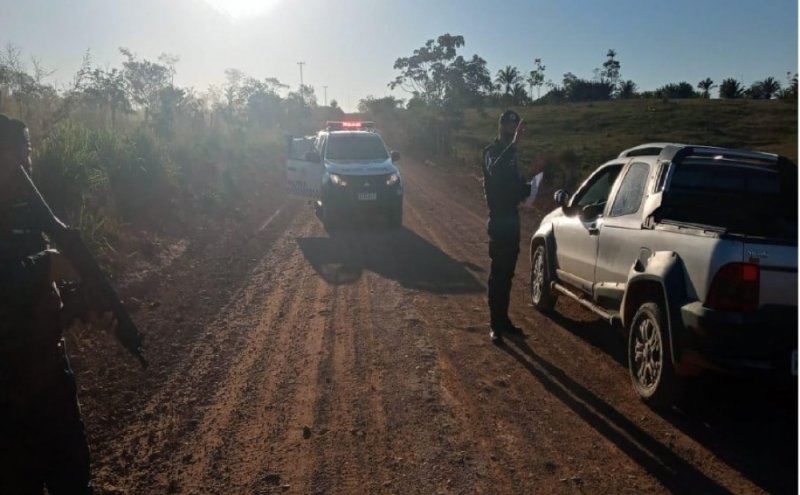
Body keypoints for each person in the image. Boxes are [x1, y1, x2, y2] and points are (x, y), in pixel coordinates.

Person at [0, 114, 94, 494]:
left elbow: (43, 289)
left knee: (71, 476)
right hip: (8, 387)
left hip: (49, 370)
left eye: (28, 154)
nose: (24, 166)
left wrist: (82, 305)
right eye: (14, 157)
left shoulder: (28, 209)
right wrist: (46, 266)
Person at [482, 110, 544, 344]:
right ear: (501, 127)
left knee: (507, 274)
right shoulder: (491, 152)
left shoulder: (512, 157)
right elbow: (495, 171)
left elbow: (515, 185)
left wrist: (531, 188)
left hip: (512, 219)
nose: (513, 130)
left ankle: (504, 320)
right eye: (510, 126)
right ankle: (494, 325)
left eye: (516, 126)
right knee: (498, 274)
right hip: (498, 220)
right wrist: (515, 145)